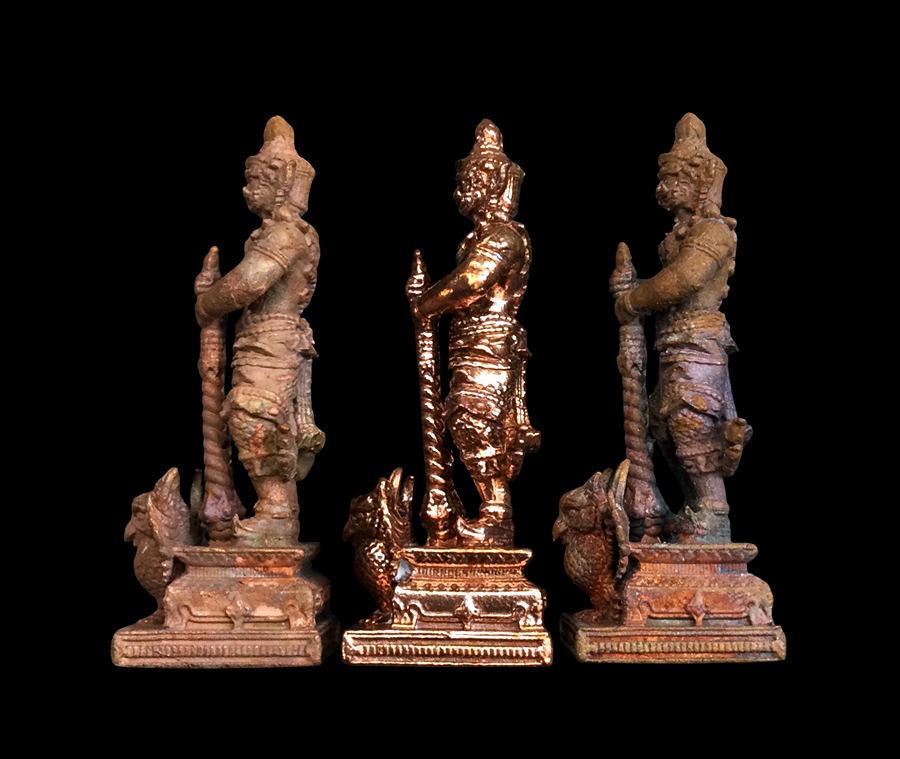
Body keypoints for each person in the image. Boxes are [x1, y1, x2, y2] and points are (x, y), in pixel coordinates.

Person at [614, 113, 750, 543]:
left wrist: (633, 300)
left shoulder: (714, 232)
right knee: (666, 427)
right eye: (665, 178)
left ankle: (713, 512)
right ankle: (694, 508)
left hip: (698, 343)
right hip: (674, 343)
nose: (665, 186)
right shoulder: (679, 236)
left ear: (700, 183)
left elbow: (684, 280)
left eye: (676, 178)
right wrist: (635, 290)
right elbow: (668, 285)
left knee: (693, 422)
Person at [195, 116, 324, 546]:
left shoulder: (288, 235)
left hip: (272, 338)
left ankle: (277, 515)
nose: (247, 189)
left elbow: (250, 283)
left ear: (280, 184)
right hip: (261, 337)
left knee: (257, 415)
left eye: (255, 181)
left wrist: (207, 303)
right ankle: (276, 514)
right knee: (258, 417)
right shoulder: (272, 234)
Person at [412, 120, 540, 546]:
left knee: (475, 418)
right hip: (469, 343)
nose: (466, 187)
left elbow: (473, 281)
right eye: (465, 179)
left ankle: (497, 516)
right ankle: (486, 511)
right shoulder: (473, 240)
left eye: (477, 178)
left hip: (490, 343)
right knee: (462, 417)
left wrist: (425, 302)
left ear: (498, 183)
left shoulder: (505, 237)